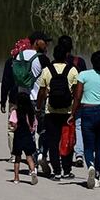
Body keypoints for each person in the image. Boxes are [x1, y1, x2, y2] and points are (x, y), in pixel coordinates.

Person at [69, 50, 100, 190]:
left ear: (92, 61)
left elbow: (77, 97)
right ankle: (96, 177)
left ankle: (90, 165)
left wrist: (73, 113)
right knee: (99, 147)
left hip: (87, 111)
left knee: (88, 146)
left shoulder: (83, 75)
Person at [36, 43, 80, 180]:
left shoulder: (47, 70)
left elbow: (42, 91)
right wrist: (74, 111)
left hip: (51, 111)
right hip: (67, 112)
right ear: (66, 55)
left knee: (53, 142)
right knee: (67, 141)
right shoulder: (73, 70)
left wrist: (38, 107)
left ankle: (56, 171)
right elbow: (76, 93)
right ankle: (67, 171)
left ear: (54, 55)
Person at [14, 32, 52, 174]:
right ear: (36, 42)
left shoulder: (19, 56)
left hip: (22, 99)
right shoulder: (42, 59)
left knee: (28, 131)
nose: (47, 45)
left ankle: (33, 161)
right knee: (43, 129)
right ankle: (41, 153)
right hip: (38, 99)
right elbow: (49, 79)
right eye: (45, 42)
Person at [57, 35, 87, 167]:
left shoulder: (56, 62)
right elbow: (84, 81)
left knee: (61, 126)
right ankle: (79, 154)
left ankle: (61, 151)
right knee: (78, 126)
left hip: (60, 100)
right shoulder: (79, 61)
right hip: (77, 99)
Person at [0, 37, 31, 156]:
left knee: (12, 125)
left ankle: (14, 153)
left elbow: (5, 82)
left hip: (13, 98)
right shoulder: (31, 61)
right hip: (28, 98)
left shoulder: (10, 62)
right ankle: (29, 152)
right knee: (28, 124)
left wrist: (3, 101)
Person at [8, 90, 39, 185]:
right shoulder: (31, 113)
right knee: (29, 156)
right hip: (27, 135)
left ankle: (16, 177)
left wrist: (13, 126)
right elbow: (34, 125)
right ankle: (33, 171)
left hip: (18, 136)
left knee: (17, 158)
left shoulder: (15, 112)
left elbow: (12, 124)